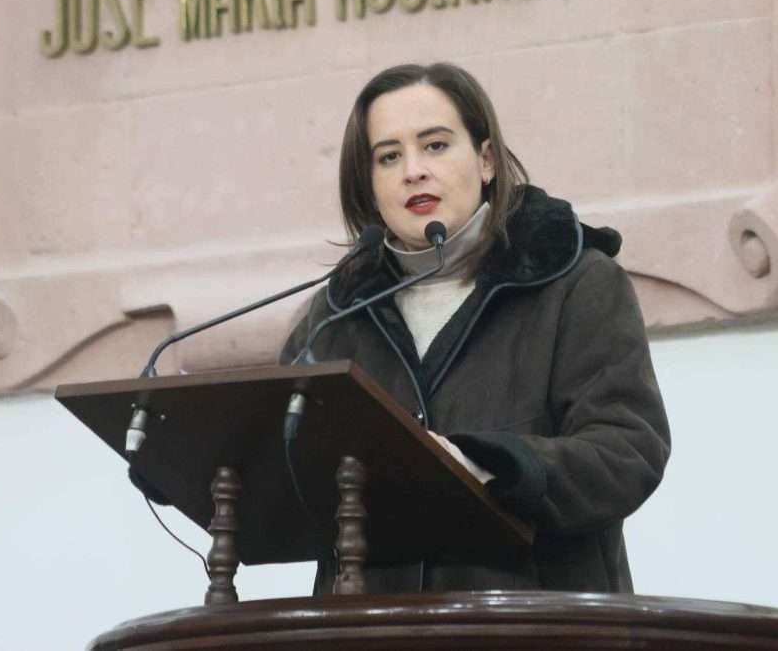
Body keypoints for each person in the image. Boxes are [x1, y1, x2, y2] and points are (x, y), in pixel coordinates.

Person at [281, 62, 671, 595]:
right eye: (389, 156)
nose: (413, 171)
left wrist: (493, 466)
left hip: (536, 621)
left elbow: (628, 451)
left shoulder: (577, 283)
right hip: (372, 626)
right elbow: (284, 467)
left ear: (486, 160)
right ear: (369, 185)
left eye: (435, 146)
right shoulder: (332, 318)